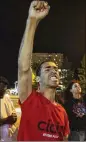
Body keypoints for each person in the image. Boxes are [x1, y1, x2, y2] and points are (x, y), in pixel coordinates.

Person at [17, 1, 70, 141]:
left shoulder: (62, 112)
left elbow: (64, 139)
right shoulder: (30, 99)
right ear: (38, 79)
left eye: (56, 68)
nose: (54, 71)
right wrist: (32, 21)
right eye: (48, 69)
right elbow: (24, 67)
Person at [0, 76, 17, 141]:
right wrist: (5, 120)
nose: (4, 90)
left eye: (5, 87)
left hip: (9, 132)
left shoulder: (6, 97)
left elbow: (13, 111)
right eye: (2, 87)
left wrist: (14, 118)